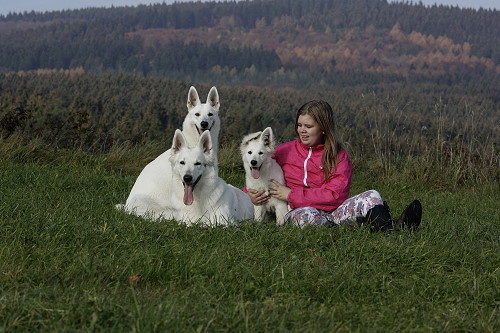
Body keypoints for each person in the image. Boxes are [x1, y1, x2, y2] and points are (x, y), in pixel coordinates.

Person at [246, 100, 422, 231]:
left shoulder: (338, 155)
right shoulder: (284, 151)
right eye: (299, 125)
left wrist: (292, 194)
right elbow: (258, 174)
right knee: (305, 217)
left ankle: (388, 229)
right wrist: (250, 195)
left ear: (323, 128)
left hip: (334, 209)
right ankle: (360, 224)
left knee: (371, 195)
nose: (302, 130)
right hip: (300, 211)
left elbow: (335, 195)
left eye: (308, 126)